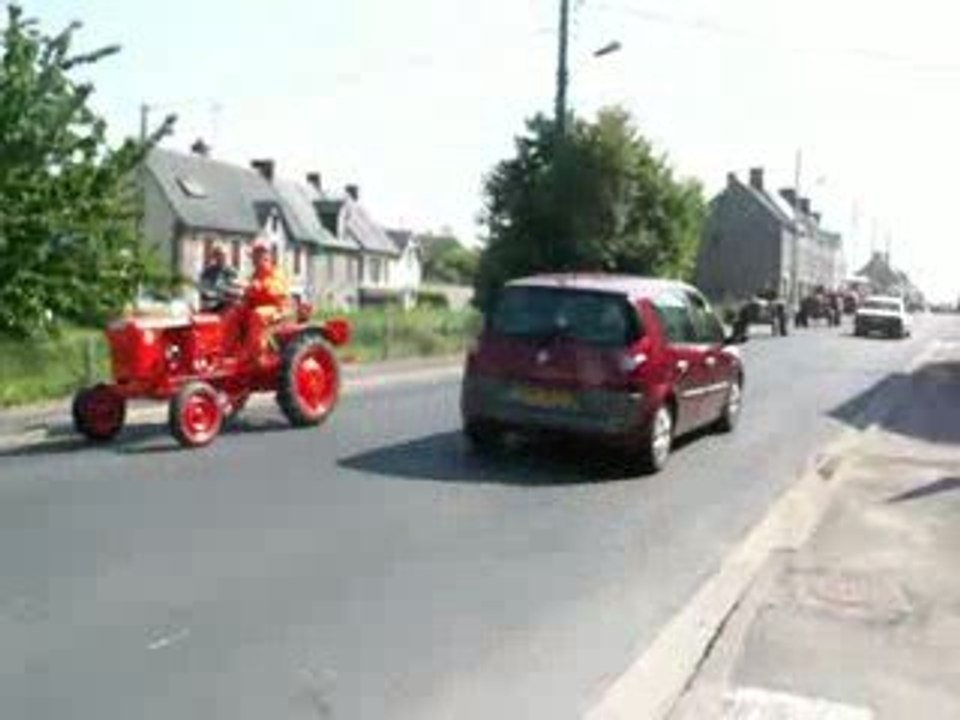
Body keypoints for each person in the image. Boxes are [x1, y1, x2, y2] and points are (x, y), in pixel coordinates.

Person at [245, 238, 290, 359]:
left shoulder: (277, 272)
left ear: (266, 256)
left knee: (258, 315)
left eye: (258, 254)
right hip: (256, 307)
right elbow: (250, 293)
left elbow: (278, 291)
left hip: (277, 309)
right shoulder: (255, 274)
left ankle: (257, 355)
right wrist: (246, 292)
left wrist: (261, 286)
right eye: (253, 255)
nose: (254, 259)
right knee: (233, 313)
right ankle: (227, 352)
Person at [198, 242, 238, 311]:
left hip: (228, 306)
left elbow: (236, 288)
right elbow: (204, 290)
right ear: (214, 256)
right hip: (212, 305)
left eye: (223, 255)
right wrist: (217, 295)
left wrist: (230, 293)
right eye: (218, 255)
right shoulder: (207, 272)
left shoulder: (231, 271)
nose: (221, 257)